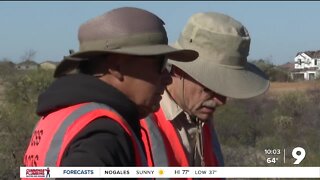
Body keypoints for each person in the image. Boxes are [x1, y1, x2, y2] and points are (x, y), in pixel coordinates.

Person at [23, 7, 198, 169]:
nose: (168, 78)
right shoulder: (103, 134)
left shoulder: (63, 116)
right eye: (161, 64)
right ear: (117, 66)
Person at [140, 12, 270, 169]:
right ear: (180, 69)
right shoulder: (139, 123)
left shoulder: (202, 118)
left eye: (225, 89)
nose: (221, 101)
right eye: (210, 88)